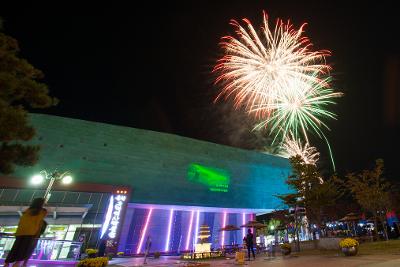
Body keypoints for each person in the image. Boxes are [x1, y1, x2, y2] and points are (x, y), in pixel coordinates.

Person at [5, 198, 47, 267]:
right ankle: (17, 264)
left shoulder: (27, 210)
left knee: (15, 248)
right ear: (41, 203)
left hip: (20, 232)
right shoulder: (42, 211)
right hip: (30, 233)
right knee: (23, 249)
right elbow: (39, 221)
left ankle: (6, 264)